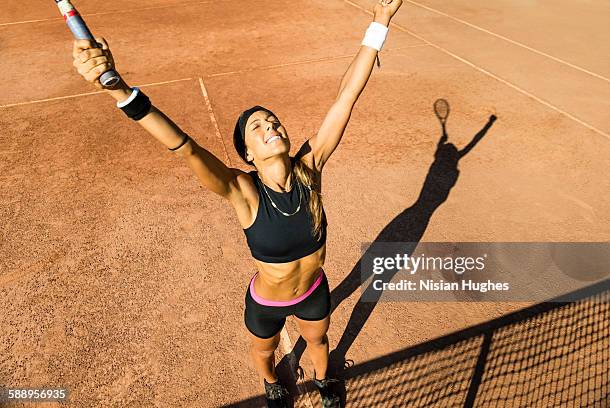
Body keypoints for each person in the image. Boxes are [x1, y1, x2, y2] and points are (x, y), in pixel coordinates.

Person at [70, 1, 403, 406]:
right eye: (258, 127)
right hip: (265, 303)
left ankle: (323, 379)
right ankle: (272, 382)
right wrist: (121, 91)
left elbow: (346, 97)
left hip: (314, 290)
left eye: (273, 121)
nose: (271, 127)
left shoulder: (309, 170)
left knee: (319, 343)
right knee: (264, 352)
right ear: (247, 153)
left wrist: (379, 23)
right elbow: (185, 149)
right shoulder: (243, 191)